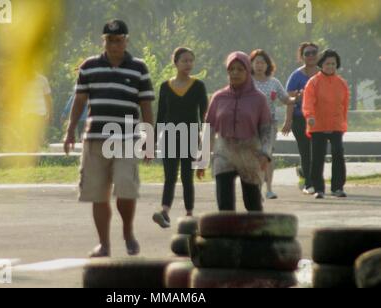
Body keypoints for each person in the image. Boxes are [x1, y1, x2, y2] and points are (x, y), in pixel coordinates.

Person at [63, 20, 155, 258]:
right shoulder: (89, 67)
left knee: (126, 188)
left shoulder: (139, 68)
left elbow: (145, 105)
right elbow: (80, 101)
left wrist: (149, 138)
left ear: (126, 40)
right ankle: (104, 244)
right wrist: (70, 129)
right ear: (103, 41)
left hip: (126, 138)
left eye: (119, 40)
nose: (114, 45)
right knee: (97, 193)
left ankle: (128, 232)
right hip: (95, 138)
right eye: (110, 40)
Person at [197, 51, 272, 212]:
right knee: (224, 204)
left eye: (240, 69)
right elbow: (208, 128)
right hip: (224, 151)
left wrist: (265, 154)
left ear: (247, 71)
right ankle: (226, 236)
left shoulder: (258, 99)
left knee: (252, 204)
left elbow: (266, 130)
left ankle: (255, 235)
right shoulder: (219, 97)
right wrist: (203, 159)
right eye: (231, 69)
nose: (235, 73)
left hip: (250, 152)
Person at [152, 47, 208, 228]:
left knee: (186, 176)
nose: (188, 64)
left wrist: (204, 143)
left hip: (191, 135)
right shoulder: (165, 87)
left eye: (191, 60)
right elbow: (160, 116)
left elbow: (204, 116)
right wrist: (152, 141)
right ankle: (164, 212)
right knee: (169, 176)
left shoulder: (198, 86)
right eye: (184, 60)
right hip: (169, 136)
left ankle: (189, 214)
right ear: (175, 62)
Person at [303, 49, 349, 199]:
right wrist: (309, 116)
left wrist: (343, 122)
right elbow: (308, 101)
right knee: (317, 157)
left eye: (333, 63)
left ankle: (337, 188)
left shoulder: (342, 83)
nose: (330, 66)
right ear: (321, 64)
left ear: (337, 65)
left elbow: (345, 105)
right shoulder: (313, 82)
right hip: (318, 125)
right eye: (327, 63)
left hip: (336, 125)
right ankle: (319, 189)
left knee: (338, 154)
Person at [250, 49, 296, 200]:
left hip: (269, 125)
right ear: (251, 64)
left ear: (267, 65)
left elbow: (286, 100)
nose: (259, 65)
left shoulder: (274, 82)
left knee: (267, 155)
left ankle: (269, 189)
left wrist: (296, 99)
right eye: (257, 62)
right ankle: (255, 188)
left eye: (262, 62)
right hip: (249, 124)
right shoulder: (246, 82)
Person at [286, 42, 320, 195]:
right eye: (307, 53)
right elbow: (289, 100)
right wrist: (288, 121)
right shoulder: (296, 76)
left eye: (314, 52)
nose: (311, 56)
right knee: (306, 151)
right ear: (302, 57)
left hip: (320, 119)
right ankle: (308, 183)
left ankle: (311, 177)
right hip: (300, 119)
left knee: (317, 152)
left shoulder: (323, 73)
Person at [22, 72, 53, 152]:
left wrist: (50, 113)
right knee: (29, 136)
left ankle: (33, 155)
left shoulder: (42, 79)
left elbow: (48, 98)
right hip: (27, 113)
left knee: (35, 136)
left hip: (39, 113)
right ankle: (31, 155)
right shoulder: (23, 79)